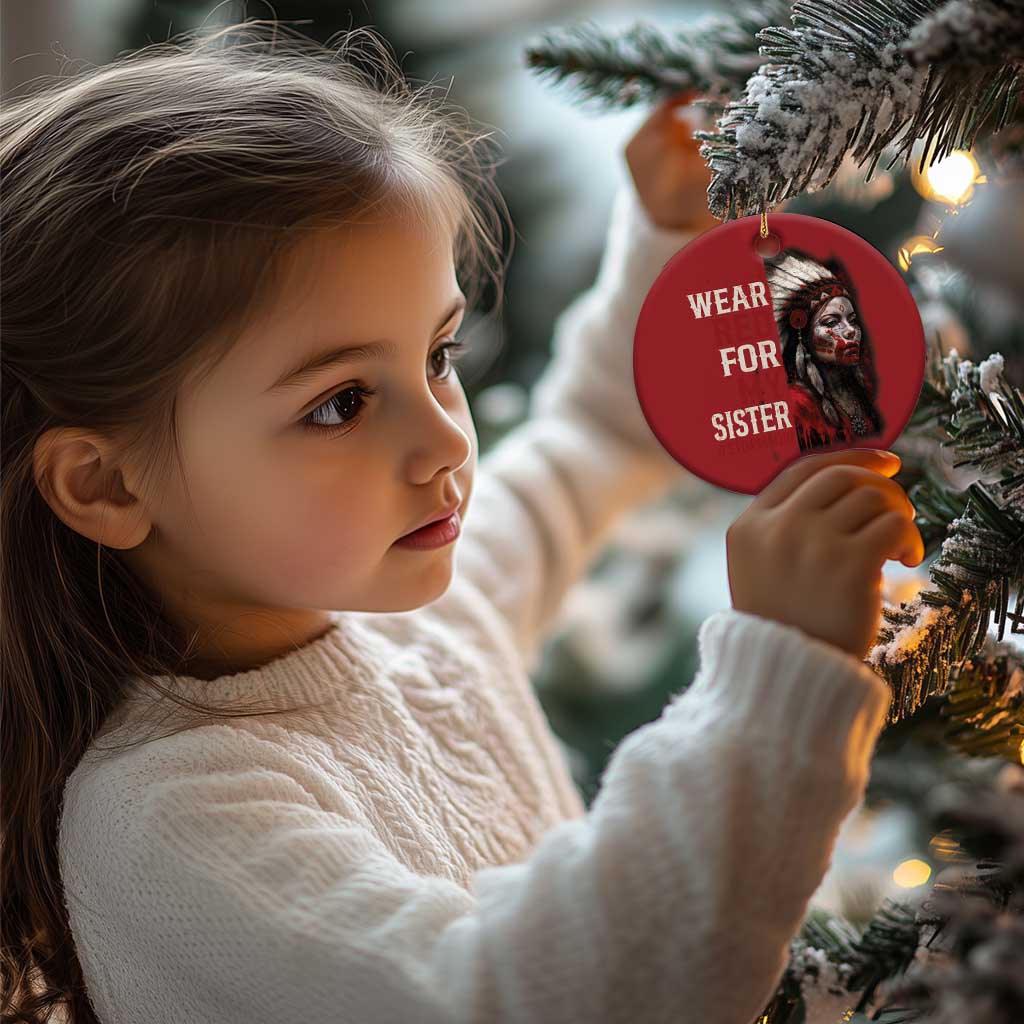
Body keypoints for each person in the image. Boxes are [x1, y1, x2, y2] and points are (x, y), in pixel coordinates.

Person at [0, 21, 923, 1024]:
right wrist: (776, 676)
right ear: (107, 486)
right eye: (340, 403)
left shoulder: (429, 622)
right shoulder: (170, 817)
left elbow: (593, 439)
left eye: (437, 357)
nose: (444, 442)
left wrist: (669, 240)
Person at [766, 249, 886, 451]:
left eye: (852, 320)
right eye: (831, 322)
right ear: (803, 333)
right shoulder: (797, 406)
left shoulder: (856, 388)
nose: (850, 331)